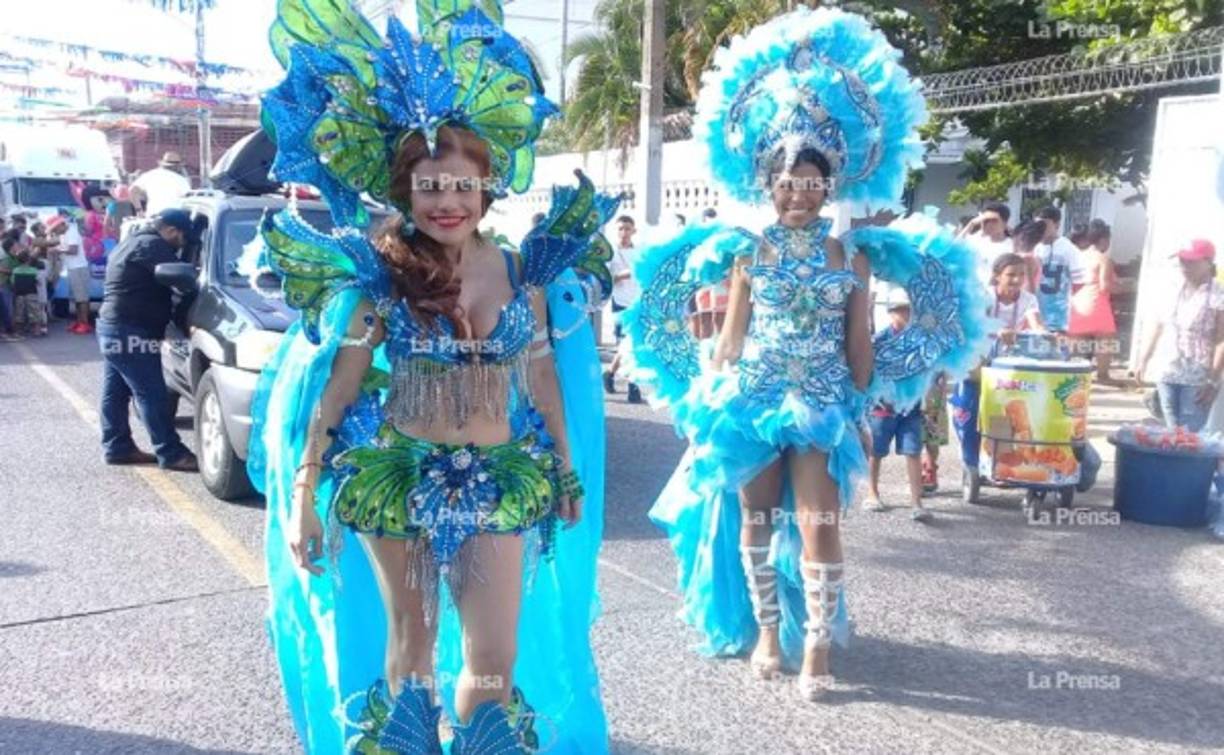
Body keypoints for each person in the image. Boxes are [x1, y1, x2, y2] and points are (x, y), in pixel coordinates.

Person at [249, 5, 612, 752]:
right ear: (405, 192)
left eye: (460, 184)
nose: (446, 201)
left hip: (500, 477)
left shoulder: (523, 273)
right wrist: (302, 496)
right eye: (428, 186)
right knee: (410, 651)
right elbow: (339, 391)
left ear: (486, 186)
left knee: (494, 660)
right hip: (400, 479)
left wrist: (565, 467)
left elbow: (541, 379)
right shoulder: (381, 276)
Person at [626, 7, 985, 703]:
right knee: (755, 522)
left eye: (811, 181)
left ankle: (817, 641)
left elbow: (858, 343)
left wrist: (862, 403)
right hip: (752, 401)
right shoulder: (748, 252)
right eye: (787, 181)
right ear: (769, 184)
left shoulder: (850, 255)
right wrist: (709, 395)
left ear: (831, 184)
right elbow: (731, 338)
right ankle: (768, 631)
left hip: (820, 405)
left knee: (821, 524)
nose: (797, 192)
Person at [96, 208, 199, 471]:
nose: (181, 246)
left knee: (115, 393)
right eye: (183, 239)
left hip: (114, 328)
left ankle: (117, 447)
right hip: (130, 331)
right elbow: (186, 279)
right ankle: (171, 453)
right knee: (152, 394)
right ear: (172, 230)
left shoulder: (131, 241)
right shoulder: (152, 245)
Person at [950, 253, 1046, 473]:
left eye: (1021, 275)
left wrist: (1045, 334)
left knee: (1004, 411)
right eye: (1011, 275)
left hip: (1006, 365)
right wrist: (997, 329)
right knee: (970, 411)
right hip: (976, 361)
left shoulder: (1028, 299)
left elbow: (1036, 322)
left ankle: (998, 462)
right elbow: (976, 322)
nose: (1017, 280)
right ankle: (971, 461)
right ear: (997, 276)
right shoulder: (984, 296)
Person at [1135, 239, 1224, 432]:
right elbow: (1157, 325)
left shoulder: (1218, 295)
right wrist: (1143, 359)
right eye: (1182, 261)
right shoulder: (1172, 288)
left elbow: (1221, 340)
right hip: (1167, 372)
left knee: (1190, 434)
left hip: (1197, 377)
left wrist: (1212, 380)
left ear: (1208, 263)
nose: (1185, 266)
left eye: (1191, 262)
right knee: (1171, 432)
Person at [863, 287, 931, 521]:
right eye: (901, 311)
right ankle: (872, 492)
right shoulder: (879, 341)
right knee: (876, 451)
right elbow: (869, 370)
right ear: (891, 313)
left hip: (911, 407)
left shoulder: (921, 341)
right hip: (883, 407)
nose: (906, 316)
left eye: (909, 311)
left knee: (913, 451)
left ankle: (916, 501)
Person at [1068, 220, 1118, 382]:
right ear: (1104, 239)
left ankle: (1073, 373)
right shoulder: (1103, 259)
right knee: (1106, 340)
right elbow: (1105, 286)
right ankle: (1102, 375)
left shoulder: (1078, 257)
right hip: (1097, 303)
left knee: (1077, 344)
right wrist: (1129, 287)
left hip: (1077, 304)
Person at [603, 214, 643, 403]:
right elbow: (605, 279)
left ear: (634, 230)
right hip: (620, 304)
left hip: (638, 303)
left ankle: (611, 373)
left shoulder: (640, 252)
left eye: (627, 228)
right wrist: (620, 276)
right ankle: (632, 385)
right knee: (628, 346)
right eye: (621, 228)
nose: (624, 232)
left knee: (633, 345)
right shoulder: (610, 253)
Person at [1033, 206, 1081, 332]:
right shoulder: (1033, 248)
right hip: (1034, 315)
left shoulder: (1069, 249)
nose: (1041, 228)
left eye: (1045, 224)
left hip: (1059, 317)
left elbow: (1079, 284)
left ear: (1057, 225)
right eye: (1038, 224)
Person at [47, 215, 92, 334]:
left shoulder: (72, 232)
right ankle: (79, 321)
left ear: (61, 225)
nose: (56, 232)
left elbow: (73, 250)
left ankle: (85, 323)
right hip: (72, 268)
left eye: (55, 229)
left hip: (78, 268)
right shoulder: (65, 234)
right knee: (76, 298)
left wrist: (57, 250)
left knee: (82, 298)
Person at [957, 201, 1012, 286]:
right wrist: (971, 224)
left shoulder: (1011, 247)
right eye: (985, 220)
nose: (988, 224)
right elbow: (955, 247)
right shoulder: (977, 239)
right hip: (971, 289)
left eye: (994, 221)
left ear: (1004, 224)